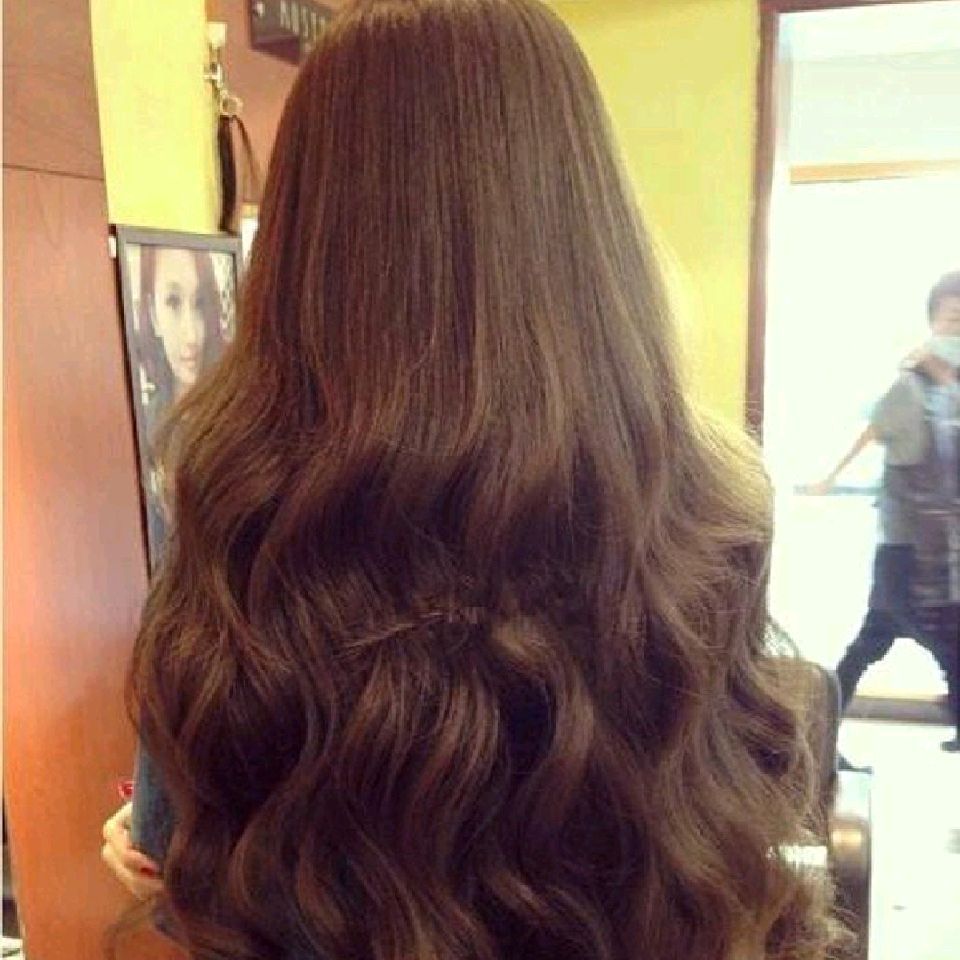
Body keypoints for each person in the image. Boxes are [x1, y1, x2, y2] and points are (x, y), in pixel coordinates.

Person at [101, 2, 837, 959]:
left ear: (306, 239)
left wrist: (157, 855)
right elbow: (727, 822)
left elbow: (189, 869)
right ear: (587, 214)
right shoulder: (709, 509)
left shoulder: (235, 496)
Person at [807, 271, 960, 754]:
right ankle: (819, 729)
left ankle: (820, 728)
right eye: (952, 319)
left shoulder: (949, 392)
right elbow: (870, 433)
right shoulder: (910, 389)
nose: (958, 330)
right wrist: (830, 477)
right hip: (906, 549)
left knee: (884, 641)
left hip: (937, 549)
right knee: (926, 640)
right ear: (932, 323)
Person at [134, 245, 233, 564]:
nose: (191, 335)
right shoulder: (144, 427)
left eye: (200, 304)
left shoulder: (236, 419)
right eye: (173, 303)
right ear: (153, 315)